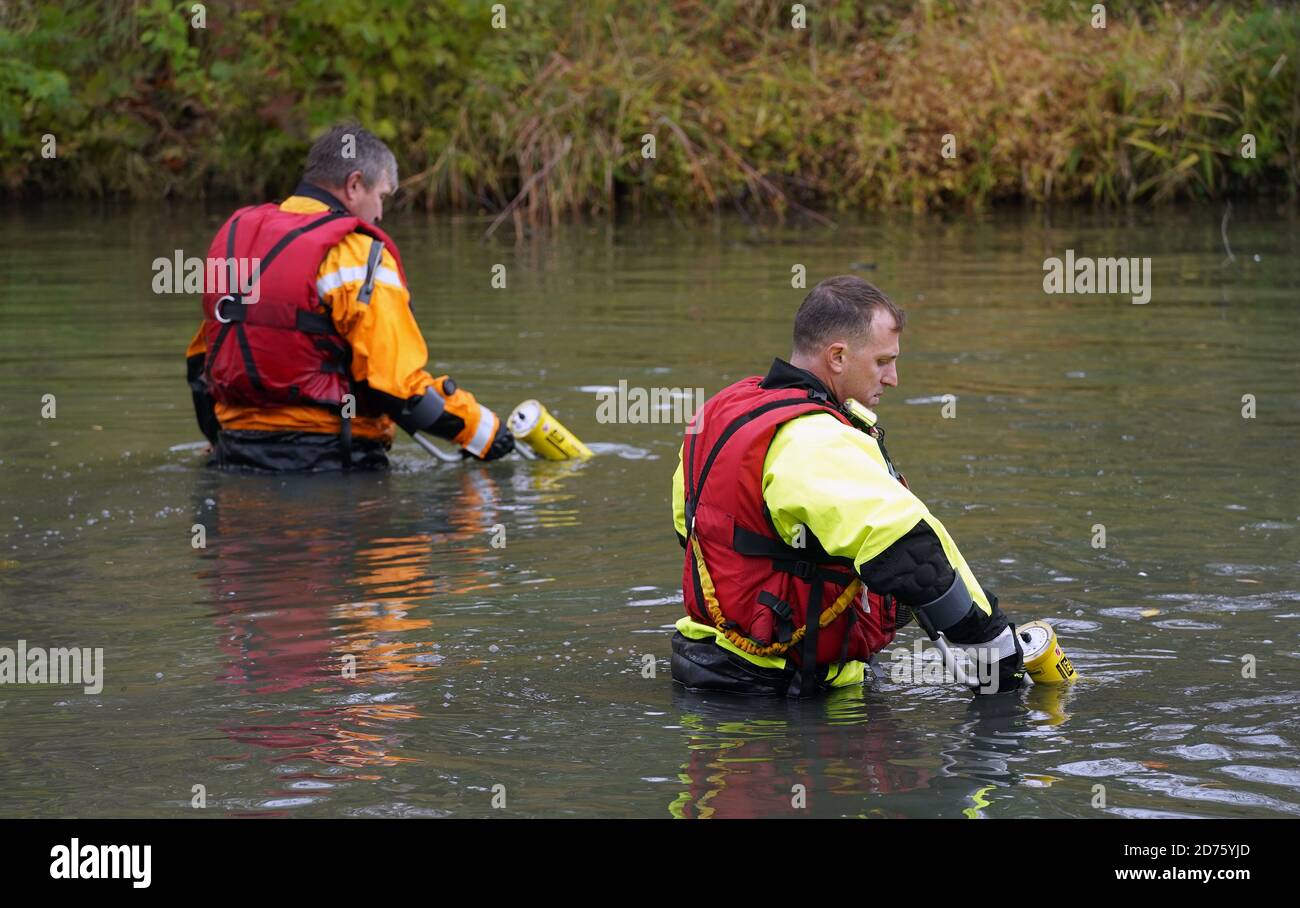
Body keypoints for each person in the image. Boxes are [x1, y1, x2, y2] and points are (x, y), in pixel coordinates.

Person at [670, 275, 1025, 698]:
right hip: (790, 695)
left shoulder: (723, 411)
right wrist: (992, 642)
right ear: (837, 356)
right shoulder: (816, 438)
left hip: (700, 664)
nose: (892, 378)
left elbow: (687, 528)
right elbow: (911, 555)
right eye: (882, 362)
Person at [185, 124, 514, 471]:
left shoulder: (236, 237)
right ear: (355, 184)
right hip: (333, 464)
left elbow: (201, 360)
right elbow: (397, 386)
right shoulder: (357, 253)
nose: (380, 215)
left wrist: (217, 439)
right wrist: (482, 430)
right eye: (382, 197)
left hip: (234, 460)